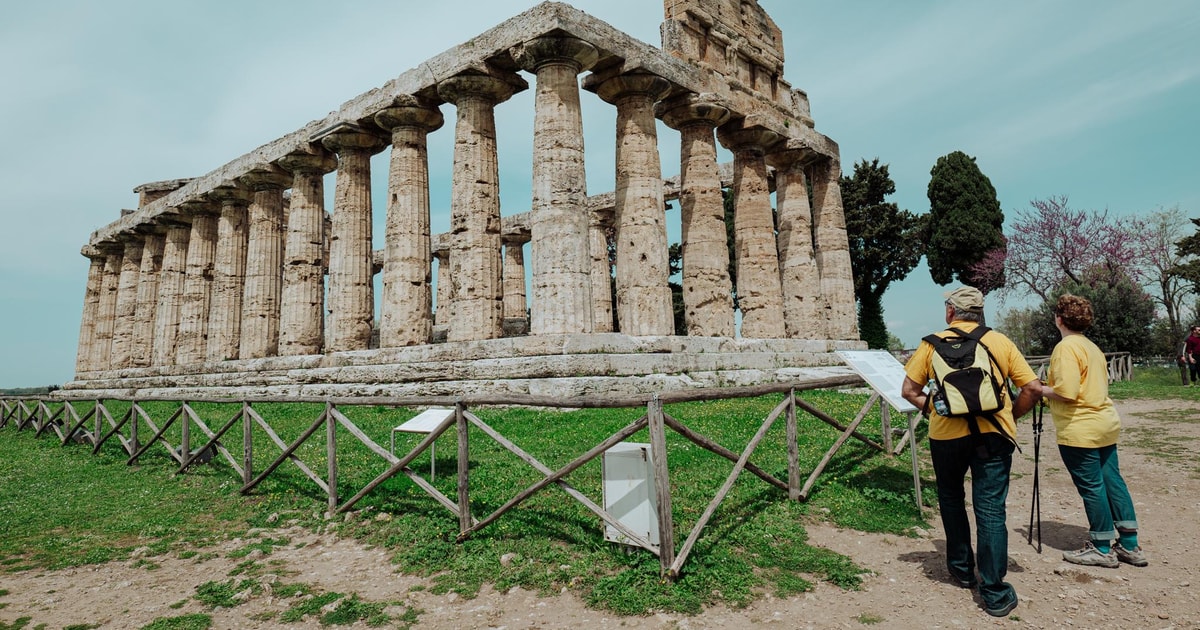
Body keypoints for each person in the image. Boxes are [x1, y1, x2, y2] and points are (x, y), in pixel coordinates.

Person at [901, 286, 1041, 618]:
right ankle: (993, 591)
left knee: (950, 498)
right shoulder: (999, 342)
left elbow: (909, 390)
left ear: (950, 312)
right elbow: (1033, 388)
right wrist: (1010, 415)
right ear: (978, 313)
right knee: (991, 508)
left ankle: (962, 570)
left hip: (945, 437)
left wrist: (935, 410)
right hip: (993, 435)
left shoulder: (930, 344)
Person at [1041, 294, 1148, 568]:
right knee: (1112, 480)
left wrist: (1038, 389)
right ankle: (1129, 543)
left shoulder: (1066, 348)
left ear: (1059, 319)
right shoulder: (1092, 347)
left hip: (1080, 427)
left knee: (1092, 486)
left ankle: (1101, 546)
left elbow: (1066, 391)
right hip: (1103, 422)